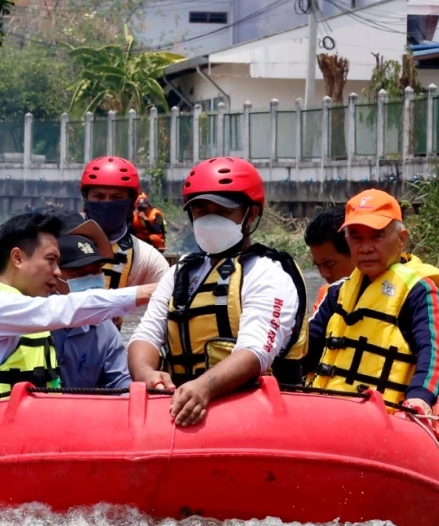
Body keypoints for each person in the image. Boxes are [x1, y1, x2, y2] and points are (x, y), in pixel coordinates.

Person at [127, 157, 308, 426]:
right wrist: (146, 373)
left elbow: (256, 352)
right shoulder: (180, 272)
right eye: (201, 210)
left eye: (222, 211)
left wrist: (205, 387)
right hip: (180, 403)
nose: (210, 220)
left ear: (251, 215)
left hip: (255, 414)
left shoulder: (268, 272)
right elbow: (145, 335)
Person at [0, 212, 154, 404]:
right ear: (18, 258)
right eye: (50, 260)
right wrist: (147, 292)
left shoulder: (37, 315)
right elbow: (62, 308)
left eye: (58, 262)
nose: (56, 272)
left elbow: (120, 386)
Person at [306, 189, 439, 413]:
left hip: (382, 414)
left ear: (401, 239)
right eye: (356, 238)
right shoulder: (336, 292)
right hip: (324, 408)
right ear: (347, 240)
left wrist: (420, 397)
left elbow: (431, 352)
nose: (365, 248)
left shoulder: (419, 291)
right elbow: (306, 350)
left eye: (376, 236)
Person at [49, 228, 132, 390]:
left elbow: (120, 383)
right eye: (79, 273)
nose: (91, 279)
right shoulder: (33, 321)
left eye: (96, 271)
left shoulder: (105, 329)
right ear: (55, 276)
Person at [78, 156, 170, 290]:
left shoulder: (148, 259)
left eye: (117, 197)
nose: (107, 204)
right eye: (98, 196)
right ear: (86, 198)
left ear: (131, 203)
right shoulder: (61, 246)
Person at [302, 204, 354, 303]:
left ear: (355, 251)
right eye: (318, 266)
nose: (324, 274)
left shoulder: (384, 296)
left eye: (329, 264)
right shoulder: (325, 296)